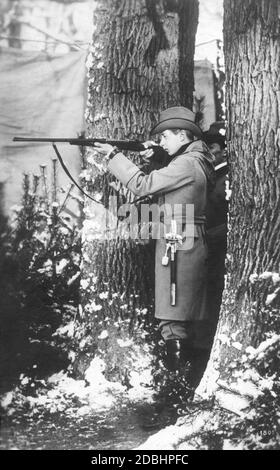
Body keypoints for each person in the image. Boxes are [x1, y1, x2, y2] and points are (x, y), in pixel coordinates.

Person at [93, 106, 215, 402]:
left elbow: (143, 185)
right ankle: (181, 393)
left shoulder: (186, 163)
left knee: (173, 321)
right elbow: (172, 187)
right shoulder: (193, 159)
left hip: (179, 244)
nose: (161, 141)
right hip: (182, 240)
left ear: (183, 135)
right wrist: (160, 158)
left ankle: (176, 399)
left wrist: (113, 156)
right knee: (180, 319)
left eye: (166, 137)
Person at [203, 122, 228, 350]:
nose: (210, 154)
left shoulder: (228, 177)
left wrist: (211, 236)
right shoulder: (209, 175)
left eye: (213, 148)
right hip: (205, 249)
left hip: (222, 248)